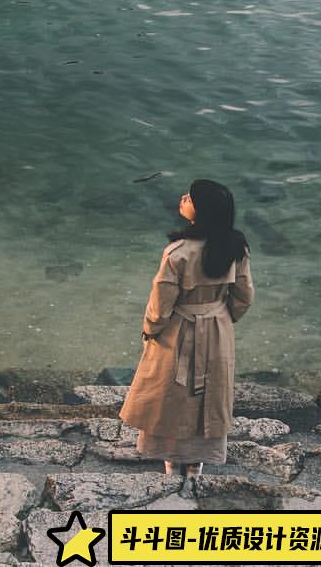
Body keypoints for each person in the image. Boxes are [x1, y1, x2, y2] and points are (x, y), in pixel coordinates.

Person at [119, 178, 254, 476]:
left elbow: (161, 304)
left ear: (202, 210)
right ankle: (196, 464)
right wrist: (221, 318)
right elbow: (244, 297)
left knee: (172, 394)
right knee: (211, 394)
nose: (183, 199)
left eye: (190, 198)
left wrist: (151, 330)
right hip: (217, 329)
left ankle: (171, 461)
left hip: (180, 328)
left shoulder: (177, 253)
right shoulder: (236, 247)